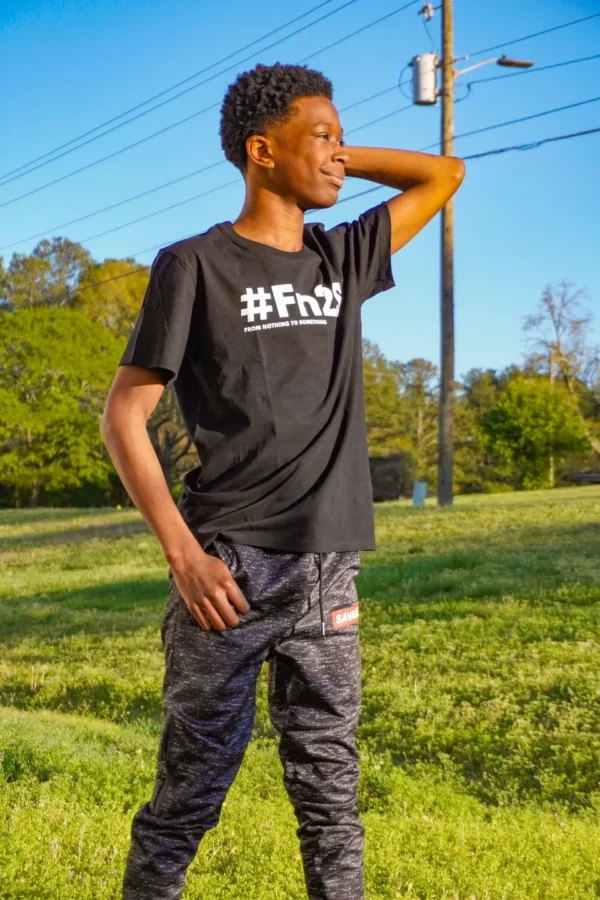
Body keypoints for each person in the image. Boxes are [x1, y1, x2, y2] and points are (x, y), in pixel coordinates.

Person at [101, 61, 464, 900]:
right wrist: (184, 556)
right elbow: (124, 415)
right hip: (228, 570)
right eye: (322, 137)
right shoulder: (192, 264)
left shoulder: (343, 257)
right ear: (261, 150)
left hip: (328, 567)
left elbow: (443, 172)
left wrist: (333, 152)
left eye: (342, 139)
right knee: (190, 792)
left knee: (331, 792)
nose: (339, 155)